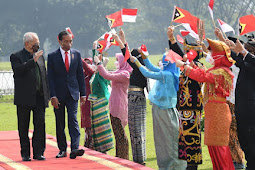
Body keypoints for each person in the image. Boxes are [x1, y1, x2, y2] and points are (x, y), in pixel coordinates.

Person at [176, 38, 235, 170]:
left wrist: (185, 66)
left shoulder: (222, 72)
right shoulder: (215, 70)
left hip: (218, 112)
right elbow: (203, 73)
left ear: (219, 56)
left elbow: (202, 77)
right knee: (213, 146)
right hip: (213, 112)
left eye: (213, 54)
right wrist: (190, 64)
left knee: (220, 147)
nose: (210, 56)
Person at [129, 45, 187, 169]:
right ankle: (166, 164)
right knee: (162, 139)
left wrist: (137, 62)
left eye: (165, 60)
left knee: (168, 139)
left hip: (165, 110)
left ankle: (173, 165)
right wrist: (145, 57)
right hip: (161, 108)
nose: (162, 61)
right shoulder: (168, 72)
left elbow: (147, 73)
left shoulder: (168, 75)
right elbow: (151, 67)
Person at [168, 26, 203, 170]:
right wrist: (171, 39)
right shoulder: (186, 65)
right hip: (183, 107)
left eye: (188, 51)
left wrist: (173, 41)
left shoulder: (198, 66)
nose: (186, 53)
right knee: (184, 138)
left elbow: (186, 61)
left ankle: (192, 165)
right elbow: (180, 55)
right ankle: (188, 164)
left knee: (192, 138)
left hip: (193, 108)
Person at [10, 32, 49, 161]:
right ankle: (25, 153)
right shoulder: (16, 56)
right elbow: (19, 70)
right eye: (35, 43)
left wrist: (48, 95)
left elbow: (44, 76)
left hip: (39, 97)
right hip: (24, 98)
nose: (37, 44)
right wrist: (33, 61)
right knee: (23, 126)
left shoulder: (40, 57)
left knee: (40, 125)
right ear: (27, 44)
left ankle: (39, 152)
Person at [47, 30, 86, 159]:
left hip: (73, 93)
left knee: (73, 119)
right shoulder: (52, 56)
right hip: (58, 95)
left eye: (70, 41)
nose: (69, 44)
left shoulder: (76, 54)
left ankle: (74, 148)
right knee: (60, 123)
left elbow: (80, 75)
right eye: (66, 41)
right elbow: (50, 78)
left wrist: (83, 94)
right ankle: (62, 149)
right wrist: (52, 95)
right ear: (59, 41)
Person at [113, 29, 148, 165]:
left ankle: (139, 160)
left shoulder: (139, 66)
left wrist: (120, 40)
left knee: (136, 130)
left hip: (135, 98)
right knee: (138, 129)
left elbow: (126, 55)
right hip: (138, 98)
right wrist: (123, 38)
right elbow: (128, 55)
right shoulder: (142, 66)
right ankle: (140, 158)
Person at [93, 52, 132, 160]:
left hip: (119, 105)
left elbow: (107, 75)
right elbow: (106, 73)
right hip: (115, 104)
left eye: (117, 59)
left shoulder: (125, 74)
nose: (116, 62)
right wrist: (100, 65)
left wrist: (99, 63)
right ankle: (120, 156)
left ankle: (123, 157)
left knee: (120, 134)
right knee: (117, 133)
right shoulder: (119, 72)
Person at [225, 37, 255, 170]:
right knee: (244, 140)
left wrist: (243, 52)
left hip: (251, 112)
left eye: (249, 49)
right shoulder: (246, 64)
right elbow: (237, 61)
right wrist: (230, 47)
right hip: (243, 111)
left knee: (251, 141)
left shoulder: (252, 64)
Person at [84, 42, 114, 153]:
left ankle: (104, 147)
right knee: (96, 126)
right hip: (94, 103)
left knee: (102, 125)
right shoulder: (96, 73)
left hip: (100, 102)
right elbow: (94, 60)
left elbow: (96, 64)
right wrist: (94, 50)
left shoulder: (102, 74)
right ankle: (98, 147)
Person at [80, 57, 94, 148]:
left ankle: (91, 144)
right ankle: (87, 144)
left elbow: (90, 70)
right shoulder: (81, 74)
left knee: (92, 124)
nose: (87, 64)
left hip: (92, 101)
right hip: (84, 101)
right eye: (85, 62)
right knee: (86, 125)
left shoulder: (92, 74)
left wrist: (79, 58)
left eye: (89, 62)